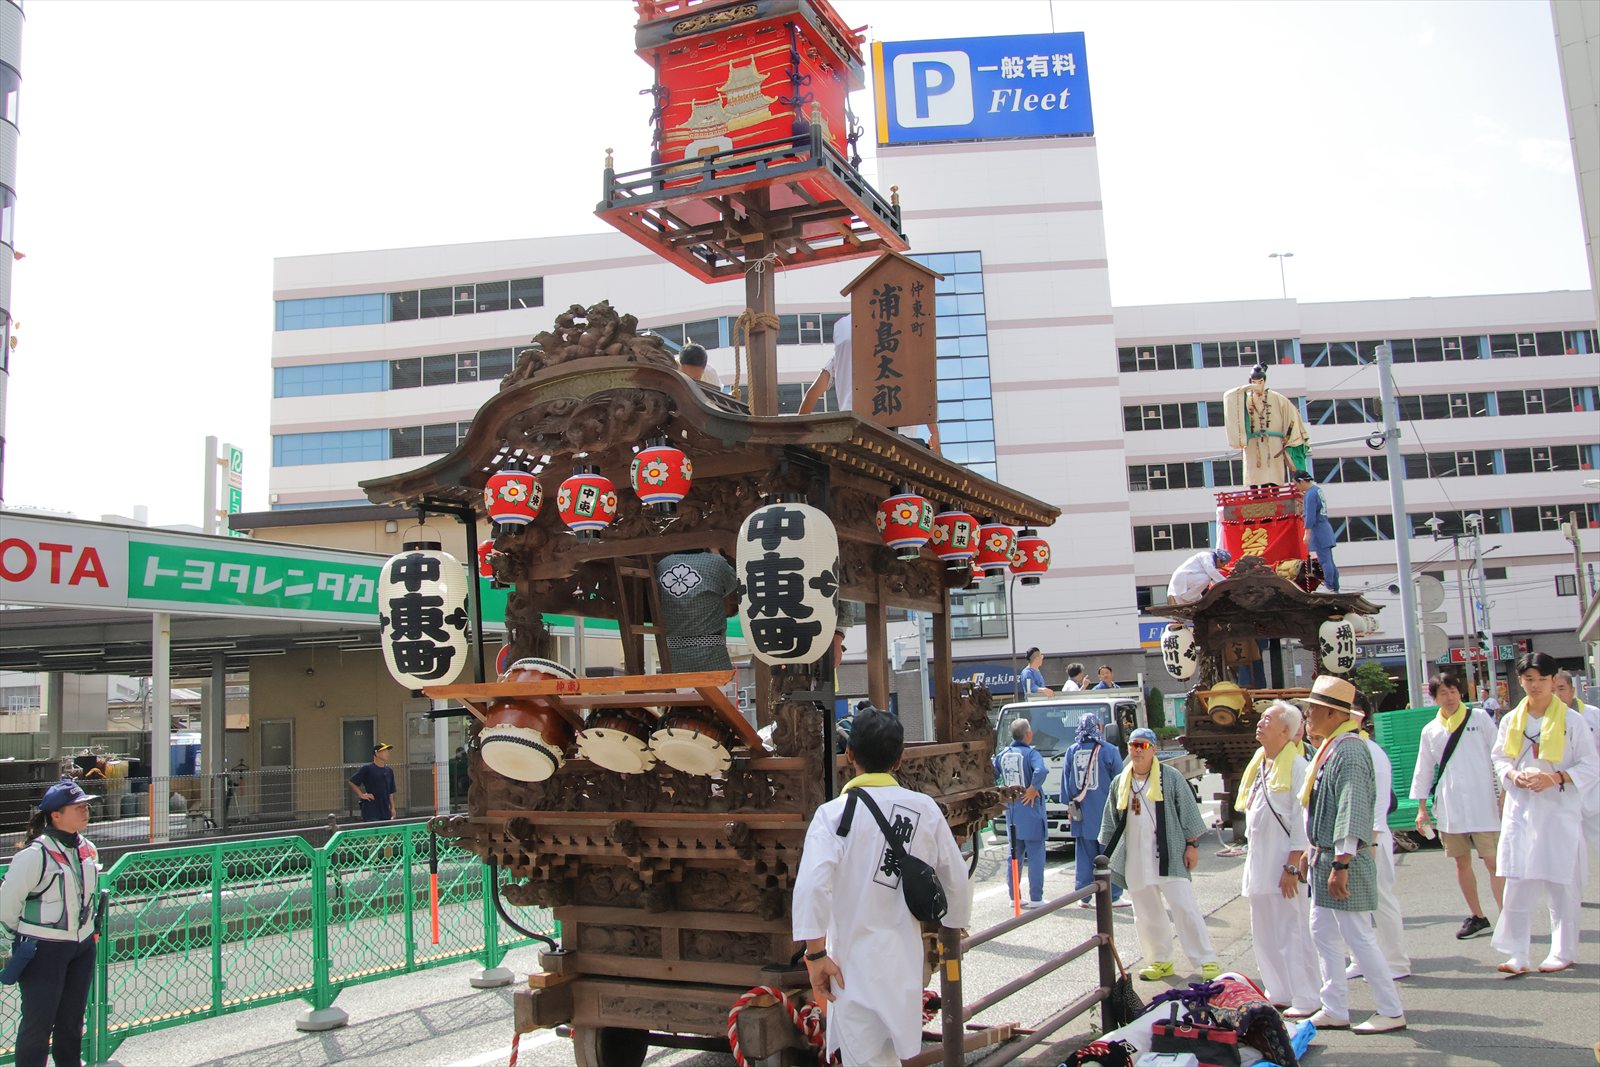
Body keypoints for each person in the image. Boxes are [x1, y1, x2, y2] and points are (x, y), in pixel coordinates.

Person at [791, 709, 972, 1065]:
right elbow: (956, 878)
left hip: (852, 967)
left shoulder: (833, 816)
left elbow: (812, 886)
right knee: (890, 1056)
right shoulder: (925, 809)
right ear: (899, 759)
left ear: (849, 755)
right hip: (904, 962)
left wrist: (815, 956)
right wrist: (953, 928)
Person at [1300, 675, 1406, 1034]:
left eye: (1313, 709)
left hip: (1343, 857)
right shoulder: (1334, 747)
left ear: (1333, 714)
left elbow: (1353, 807)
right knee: (1323, 931)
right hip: (1326, 855)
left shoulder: (1349, 750)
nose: (1308, 715)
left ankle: (1390, 1009)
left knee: (1358, 935)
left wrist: (1342, 861)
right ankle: (1334, 1006)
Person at [1490, 651, 1598, 975]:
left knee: (1561, 882)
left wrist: (1555, 778)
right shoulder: (1511, 720)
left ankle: (1562, 950)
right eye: (1529, 679)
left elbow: (1590, 764)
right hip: (1521, 808)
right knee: (1517, 882)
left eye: (1541, 679)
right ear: (1520, 681)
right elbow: (1499, 757)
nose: (1535, 685)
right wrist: (1513, 775)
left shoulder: (1572, 721)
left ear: (1553, 681)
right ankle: (1517, 952)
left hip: (1558, 809)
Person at [1099, 727, 1219, 981]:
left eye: (1142, 745)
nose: (1137, 750)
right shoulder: (1120, 781)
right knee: (1145, 913)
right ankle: (1160, 960)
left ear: (1153, 749)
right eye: (1132, 745)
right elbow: (1111, 821)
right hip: (1136, 857)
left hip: (1170, 853)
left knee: (1185, 908)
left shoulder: (1171, 777)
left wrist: (1192, 845)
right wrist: (1107, 854)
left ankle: (1206, 959)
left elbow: (1187, 811)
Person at [0, 778, 100, 1067]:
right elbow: (7, 904)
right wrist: (9, 942)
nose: (85, 811)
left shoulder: (88, 848)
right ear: (56, 815)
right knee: (38, 1023)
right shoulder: (34, 855)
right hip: (43, 949)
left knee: (72, 1019)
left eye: (86, 806)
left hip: (82, 946)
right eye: (78, 807)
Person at [1235, 701, 1320, 1017]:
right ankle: (1279, 990)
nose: (1260, 723)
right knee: (1265, 933)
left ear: (1286, 730)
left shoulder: (1297, 766)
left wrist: (1293, 864)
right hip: (1259, 863)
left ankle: (1306, 995)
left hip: (1284, 864)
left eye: (1268, 719)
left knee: (1292, 931)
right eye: (1261, 718)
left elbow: (1301, 820)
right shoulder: (1259, 762)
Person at [1410, 671, 1503, 939]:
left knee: (1493, 862)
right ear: (1435, 698)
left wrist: (1504, 793)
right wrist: (1421, 807)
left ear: (1460, 692)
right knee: (1461, 862)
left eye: (1453, 691)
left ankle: (1508, 918)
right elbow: (1423, 769)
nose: (1450, 697)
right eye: (1443, 693)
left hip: (1484, 803)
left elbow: (1500, 754)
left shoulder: (1479, 718)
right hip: (1450, 806)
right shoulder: (1430, 730)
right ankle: (1478, 916)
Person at [799, 315, 940, 451]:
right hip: (902, 440)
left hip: (855, 433)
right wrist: (934, 434)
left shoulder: (840, 356)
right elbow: (920, 395)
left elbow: (811, 394)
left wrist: (799, 435)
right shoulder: (898, 349)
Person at [1348, 693, 1410, 982]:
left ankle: (1396, 961)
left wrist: (1371, 840)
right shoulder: (1340, 748)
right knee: (1352, 904)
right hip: (1349, 838)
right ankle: (1360, 959)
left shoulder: (1371, 751)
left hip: (1371, 837)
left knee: (1381, 899)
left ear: (1361, 715)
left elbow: (1379, 801)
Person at [1062, 713, 1127, 908]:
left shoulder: (1072, 751)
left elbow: (1066, 783)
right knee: (1109, 855)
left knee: (1084, 856)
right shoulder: (1109, 751)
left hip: (1081, 814)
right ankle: (1113, 896)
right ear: (1098, 727)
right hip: (1105, 813)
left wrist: (1069, 806)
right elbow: (1120, 782)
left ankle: (1083, 896)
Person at [1222, 363, 1312, 487]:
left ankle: (1273, 493)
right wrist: (1246, 388)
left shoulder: (1278, 398)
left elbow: (1292, 417)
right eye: (1254, 382)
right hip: (1252, 443)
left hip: (1273, 442)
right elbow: (1229, 397)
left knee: (1273, 473)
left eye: (1260, 381)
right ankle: (1255, 493)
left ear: (1264, 381)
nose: (1257, 385)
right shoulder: (1244, 399)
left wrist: (1288, 438)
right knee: (1254, 473)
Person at [655, 549, 739, 672]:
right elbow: (733, 585)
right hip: (712, 656)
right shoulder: (716, 562)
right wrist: (716, 551)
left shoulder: (662, 565)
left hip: (673, 659)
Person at [995, 719, 1048, 908]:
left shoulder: (1003, 755)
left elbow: (991, 773)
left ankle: (1014, 897)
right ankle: (1036, 897)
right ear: (1028, 734)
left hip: (1012, 811)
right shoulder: (1031, 753)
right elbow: (1041, 771)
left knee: (1014, 856)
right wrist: (1033, 788)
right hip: (1031, 809)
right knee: (1036, 856)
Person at [1293, 469, 1339, 592]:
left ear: (1301, 481)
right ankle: (1334, 586)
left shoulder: (1310, 494)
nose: (1296, 487)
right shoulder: (1317, 490)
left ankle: (1329, 586)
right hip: (1325, 527)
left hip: (1318, 529)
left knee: (1324, 561)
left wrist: (1306, 533)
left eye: (1296, 484)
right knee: (1329, 560)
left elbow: (1311, 516)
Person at [348, 743, 397, 822]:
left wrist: (392, 808)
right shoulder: (368, 768)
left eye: (387, 751)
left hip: (385, 809)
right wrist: (362, 795)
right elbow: (352, 781)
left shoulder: (389, 771)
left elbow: (391, 792)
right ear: (376, 753)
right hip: (371, 809)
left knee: (385, 829)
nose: (387, 753)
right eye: (384, 751)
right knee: (373, 828)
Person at [1167, 548, 1232, 605]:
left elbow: (1215, 580)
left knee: (1201, 601)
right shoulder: (1206, 556)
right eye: (1223, 564)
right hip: (1183, 578)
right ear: (1219, 560)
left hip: (1188, 580)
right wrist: (1227, 583)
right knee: (1206, 578)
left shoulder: (1211, 562)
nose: (1222, 566)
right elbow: (1212, 572)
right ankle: (1187, 598)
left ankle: (1189, 599)